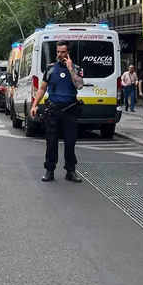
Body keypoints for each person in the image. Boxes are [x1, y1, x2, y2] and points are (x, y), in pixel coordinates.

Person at [30, 40, 85, 183]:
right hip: (54, 111)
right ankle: (49, 170)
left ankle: (70, 171)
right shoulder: (50, 69)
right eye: (58, 52)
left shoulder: (76, 69)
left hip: (70, 110)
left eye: (63, 52)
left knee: (70, 142)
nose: (60, 55)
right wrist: (34, 105)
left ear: (68, 53)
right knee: (51, 142)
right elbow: (42, 89)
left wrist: (70, 68)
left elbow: (79, 85)